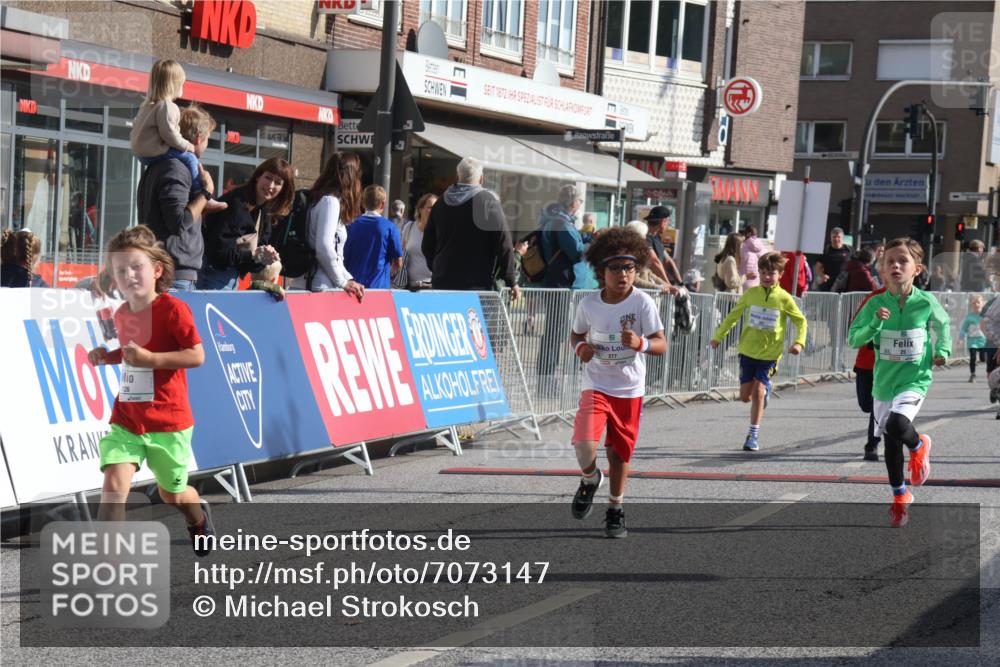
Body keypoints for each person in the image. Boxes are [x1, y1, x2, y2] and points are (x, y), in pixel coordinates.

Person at [86, 225, 214, 556]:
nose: (129, 275)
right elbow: (132, 352)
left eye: (136, 267)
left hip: (169, 422)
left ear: (157, 270)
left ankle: (197, 513)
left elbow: (196, 355)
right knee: (113, 487)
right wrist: (107, 356)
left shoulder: (174, 310)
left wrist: (152, 359)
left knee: (173, 494)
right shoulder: (122, 312)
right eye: (120, 270)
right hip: (128, 418)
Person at [568, 227, 666, 538]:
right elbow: (576, 334)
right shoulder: (589, 305)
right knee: (584, 444)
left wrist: (641, 344)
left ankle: (615, 508)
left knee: (620, 453)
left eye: (629, 268)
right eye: (615, 268)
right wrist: (581, 348)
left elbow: (661, 343)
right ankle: (589, 478)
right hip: (596, 385)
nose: (623, 275)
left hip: (629, 388)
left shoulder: (642, 303)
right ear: (601, 271)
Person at [847, 237, 950, 528]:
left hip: (915, 379)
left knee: (895, 425)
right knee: (891, 444)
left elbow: (943, 326)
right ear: (881, 268)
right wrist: (874, 324)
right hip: (883, 382)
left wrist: (942, 351)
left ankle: (918, 446)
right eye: (889, 261)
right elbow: (854, 337)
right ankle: (900, 496)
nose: (895, 265)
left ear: (916, 268)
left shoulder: (925, 301)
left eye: (902, 261)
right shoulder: (875, 302)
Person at [711, 252, 806, 451]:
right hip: (747, 351)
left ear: (780, 274)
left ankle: (753, 435)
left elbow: (800, 321)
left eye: (771, 273)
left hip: (770, 354)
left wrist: (799, 342)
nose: (766, 277)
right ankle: (764, 392)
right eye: (763, 273)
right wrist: (718, 336)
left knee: (758, 391)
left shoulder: (784, 298)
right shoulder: (750, 294)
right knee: (745, 396)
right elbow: (732, 317)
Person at [137, 103, 223, 292]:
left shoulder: (162, 166)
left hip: (170, 271)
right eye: (208, 139)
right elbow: (179, 222)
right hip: (175, 276)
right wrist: (206, 192)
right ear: (199, 138)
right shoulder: (176, 169)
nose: (207, 145)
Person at [422, 157, 520, 299]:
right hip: (475, 284)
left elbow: (427, 244)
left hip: (442, 282)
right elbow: (503, 243)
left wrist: (436, 267)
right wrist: (511, 280)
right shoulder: (488, 201)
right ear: (481, 179)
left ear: (457, 177)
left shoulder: (441, 202)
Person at [130, 59, 222, 211]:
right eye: (182, 83)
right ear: (174, 85)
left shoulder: (148, 105)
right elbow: (170, 134)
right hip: (153, 151)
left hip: (142, 152)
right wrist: (187, 146)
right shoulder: (167, 106)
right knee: (190, 158)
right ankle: (201, 194)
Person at [199, 157, 293, 290]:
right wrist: (254, 255)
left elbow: (251, 264)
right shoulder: (236, 203)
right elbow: (218, 251)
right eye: (268, 178)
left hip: (231, 278)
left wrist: (265, 257)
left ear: (283, 189)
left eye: (278, 182)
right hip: (211, 274)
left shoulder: (264, 211)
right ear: (258, 177)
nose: (271, 186)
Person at [289, 152, 365, 299]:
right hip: (318, 287)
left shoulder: (318, 199)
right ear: (351, 175)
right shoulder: (330, 202)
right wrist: (343, 281)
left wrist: (348, 279)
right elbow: (324, 247)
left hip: (312, 283)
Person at [851, 282, 888, 462]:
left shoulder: (911, 300)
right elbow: (855, 326)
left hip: (889, 366)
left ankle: (872, 444)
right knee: (866, 404)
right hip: (866, 362)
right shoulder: (874, 298)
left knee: (877, 405)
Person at [344, 184, 404, 289]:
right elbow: (398, 262)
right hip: (379, 287)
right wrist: (389, 275)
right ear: (382, 205)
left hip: (353, 287)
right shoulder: (390, 228)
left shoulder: (350, 225)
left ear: (363, 203)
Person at [397, 193, 436, 290]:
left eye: (436, 207)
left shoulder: (440, 232)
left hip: (432, 286)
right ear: (420, 210)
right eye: (430, 207)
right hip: (410, 286)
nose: (433, 210)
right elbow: (401, 253)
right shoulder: (409, 228)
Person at [645, 207, 682, 285]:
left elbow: (668, 261)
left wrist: (681, 284)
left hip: (658, 284)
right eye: (668, 221)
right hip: (648, 284)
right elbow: (655, 262)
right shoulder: (645, 238)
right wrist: (668, 284)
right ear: (663, 222)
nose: (668, 225)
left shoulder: (657, 238)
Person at [960, 294, 988, 382]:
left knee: (983, 358)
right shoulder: (969, 317)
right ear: (971, 305)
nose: (976, 305)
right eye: (974, 303)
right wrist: (960, 339)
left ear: (982, 304)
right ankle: (973, 375)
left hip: (983, 341)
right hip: (972, 341)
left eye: (978, 302)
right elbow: (963, 329)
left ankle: (989, 371)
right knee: (972, 358)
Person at [820, 227, 852, 291]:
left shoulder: (849, 250)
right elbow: (818, 266)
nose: (836, 239)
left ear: (842, 238)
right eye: (834, 237)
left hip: (845, 285)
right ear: (831, 238)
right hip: (828, 285)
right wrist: (822, 275)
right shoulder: (826, 250)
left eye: (838, 237)